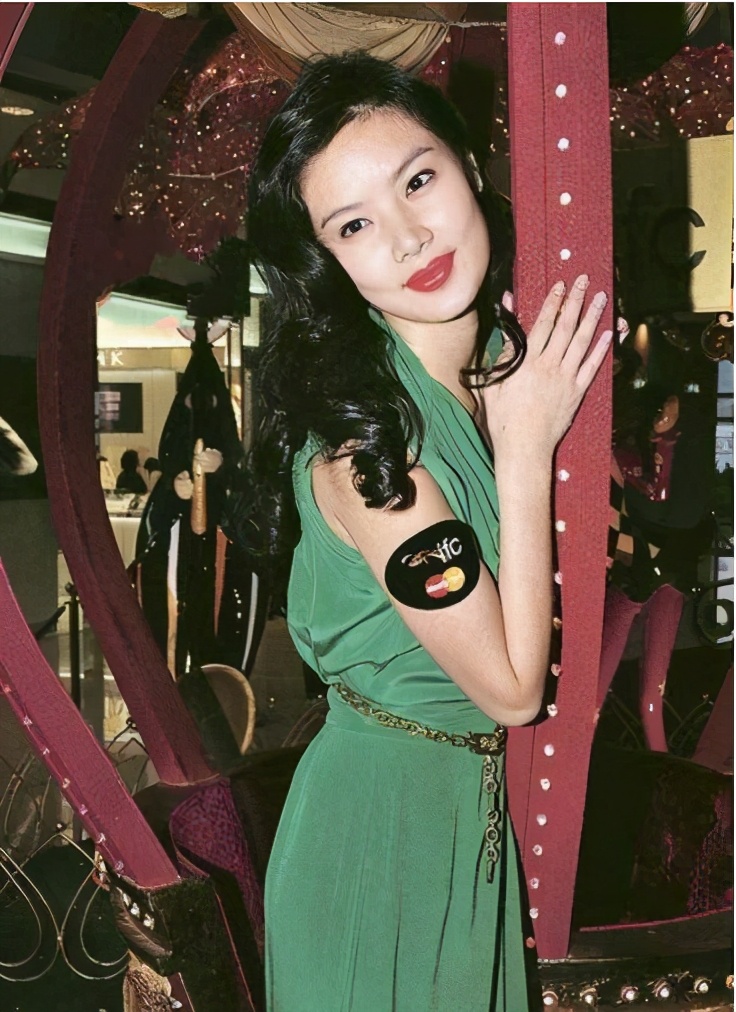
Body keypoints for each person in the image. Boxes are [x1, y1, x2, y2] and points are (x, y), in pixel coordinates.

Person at [248, 52, 612, 1011]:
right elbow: (510, 689)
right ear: (328, 263)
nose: (410, 237)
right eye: (355, 225)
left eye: (418, 181)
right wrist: (525, 449)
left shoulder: (493, 362)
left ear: (470, 167)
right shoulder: (369, 455)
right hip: (372, 846)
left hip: (459, 817)